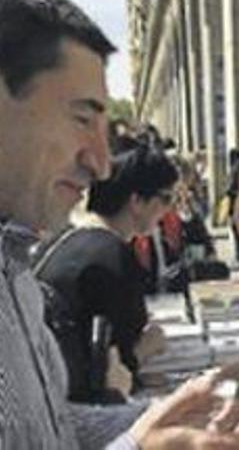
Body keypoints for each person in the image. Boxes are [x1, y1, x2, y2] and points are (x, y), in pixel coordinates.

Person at [0, 0, 239, 449]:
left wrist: (150, 425)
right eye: (82, 119)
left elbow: (41, 430)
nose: (100, 164)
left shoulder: (6, 258)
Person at [33, 144, 178, 404]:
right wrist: (147, 346)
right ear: (137, 201)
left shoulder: (64, 238)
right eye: (166, 199)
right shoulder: (113, 257)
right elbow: (116, 369)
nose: (169, 210)